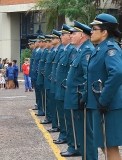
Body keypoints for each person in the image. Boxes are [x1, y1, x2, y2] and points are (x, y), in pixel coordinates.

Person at [87, 13, 122, 160]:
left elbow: (118, 73)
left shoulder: (109, 49)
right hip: (101, 104)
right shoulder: (99, 49)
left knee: (110, 146)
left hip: (108, 105)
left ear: (104, 32)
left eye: (94, 29)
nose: (91, 32)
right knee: (104, 144)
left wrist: (104, 99)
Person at [64, 20, 97, 160]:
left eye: (73, 33)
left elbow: (88, 76)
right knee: (81, 132)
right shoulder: (81, 51)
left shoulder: (87, 51)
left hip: (80, 99)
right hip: (76, 98)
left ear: (82, 35)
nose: (70, 36)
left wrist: (83, 95)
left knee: (86, 134)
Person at [57, 24, 80, 157]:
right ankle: (72, 143)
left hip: (72, 91)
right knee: (67, 117)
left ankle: (74, 145)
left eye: (64, 34)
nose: (63, 37)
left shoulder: (75, 50)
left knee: (72, 120)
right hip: (65, 89)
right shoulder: (69, 50)